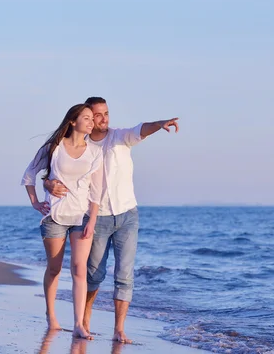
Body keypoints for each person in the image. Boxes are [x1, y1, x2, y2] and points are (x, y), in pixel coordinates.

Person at [43, 97, 179, 343]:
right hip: (97, 217)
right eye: (98, 114)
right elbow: (54, 170)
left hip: (127, 214)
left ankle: (119, 330)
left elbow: (141, 129)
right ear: (87, 117)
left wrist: (159, 124)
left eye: (107, 113)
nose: (104, 118)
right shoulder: (81, 147)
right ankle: (83, 321)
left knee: (124, 274)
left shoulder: (120, 137)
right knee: (93, 273)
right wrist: (48, 183)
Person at [21, 103, 104, 340]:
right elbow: (29, 174)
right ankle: (51, 314)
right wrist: (35, 202)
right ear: (72, 121)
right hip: (55, 216)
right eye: (86, 118)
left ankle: (79, 323)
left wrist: (93, 220)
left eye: (92, 119)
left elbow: (96, 190)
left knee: (79, 269)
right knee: (55, 269)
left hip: (82, 216)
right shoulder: (53, 147)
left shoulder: (95, 152)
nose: (91, 122)